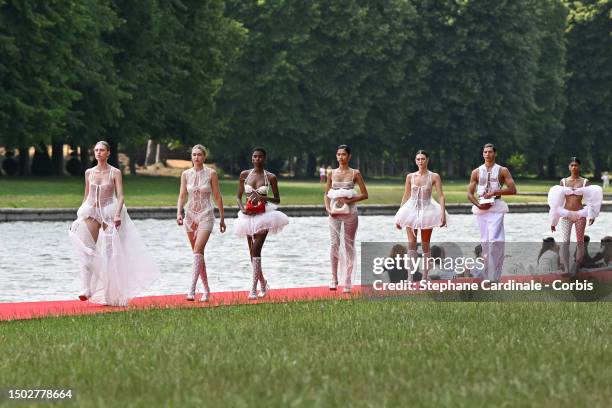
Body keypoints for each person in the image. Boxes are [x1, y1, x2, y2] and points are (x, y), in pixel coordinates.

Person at [68, 141, 160, 306]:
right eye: (96, 150)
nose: (98, 153)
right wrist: (79, 216)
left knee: (111, 253)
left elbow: (121, 196)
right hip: (90, 210)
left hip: (109, 211)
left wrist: (117, 214)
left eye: (102, 150)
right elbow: (86, 195)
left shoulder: (115, 172)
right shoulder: (89, 172)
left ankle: (112, 294)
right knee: (86, 248)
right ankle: (86, 288)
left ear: (108, 153)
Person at [235, 147, 289, 300]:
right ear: (252, 159)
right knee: (251, 252)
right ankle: (263, 283)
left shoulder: (270, 177)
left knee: (256, 250)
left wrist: (266, 199)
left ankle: (253, 289)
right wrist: (242, 209)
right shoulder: (244, 174)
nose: (257, 159)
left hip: (264, 216)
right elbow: (238, 197)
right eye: (254, 157)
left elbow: (277, 200)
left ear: (264, 159)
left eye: (260, 157)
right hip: (247, 217)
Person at [176, 145, 226, 302]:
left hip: (206, 215)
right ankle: (206, 290)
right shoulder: (185, 174)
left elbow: (217, 196)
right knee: (198, 254)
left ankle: (191, 290)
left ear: (204, 157)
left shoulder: (211, 173)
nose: (196, 157)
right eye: (194, 154)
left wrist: (222, 218)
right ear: (191, 157)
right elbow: (182, 195)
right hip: (190, 215)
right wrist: (179, 213)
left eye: (199, 155)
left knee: (198, 250)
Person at [394, 150, 447, 281]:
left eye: (423, 159)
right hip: (411, 211)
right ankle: (409, 277)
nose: (420, 161)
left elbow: (440, 195)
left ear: (427, 160)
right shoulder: (410, 177)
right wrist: (400, 215)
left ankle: (424, 276)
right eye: (418, 159)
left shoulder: (434, 176)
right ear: (415, 161)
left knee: (425, 244)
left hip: (427, 211)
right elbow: (406, 195)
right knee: (411, 243)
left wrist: (443, 213)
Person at [467, 143, 517, 282]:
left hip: (496, 207)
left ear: (495, 154)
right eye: (485, 152)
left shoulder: (503, 170)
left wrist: (496, 191)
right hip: (481, 209)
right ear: (482, 154)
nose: (487, 154)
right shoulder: (476, 172)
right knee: (485, 242)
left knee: (495, 241)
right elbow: (469, 194)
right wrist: (478, 205)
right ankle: (489, 276)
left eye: (490, 152)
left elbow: (513, 189)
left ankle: (495, 275)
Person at [324, 145, 368, 293]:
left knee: (349, 244)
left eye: (343, 154)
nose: (340, 157)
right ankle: (334, 278)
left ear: (349, 156)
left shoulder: (355, 173)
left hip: (350, 213)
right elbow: (326, 194)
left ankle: (348, 279)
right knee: (334, 243)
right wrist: (328, 209)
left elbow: (364, 194)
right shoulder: (331, 173)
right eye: (338, 154)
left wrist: (348, 201)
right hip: (334, 213)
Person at [547, 157, 603, 275]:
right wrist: (554, 221)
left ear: (579, 167)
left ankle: (576, 268)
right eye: (572, 165)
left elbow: (591, 200)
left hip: (580, 215)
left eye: (576, 165)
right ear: (569, 167)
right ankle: (567, 269)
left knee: (580, 242)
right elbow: (557, 202)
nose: (574, 167)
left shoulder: (585, 182)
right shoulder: (563, 181)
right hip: (566, 214)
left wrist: (592, 216)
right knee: (565, 241)